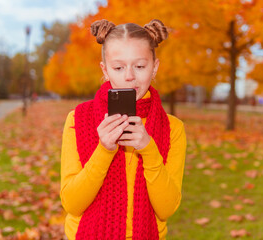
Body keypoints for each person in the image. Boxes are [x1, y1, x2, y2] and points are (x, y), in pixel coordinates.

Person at [60, 19, 186, 240]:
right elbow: (72, 203)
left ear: (154, 67)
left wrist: (148, 149)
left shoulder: (173, 128)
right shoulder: (77, 120)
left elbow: (167, 209)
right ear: (105, 70)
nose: (129, 76)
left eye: (139, 66)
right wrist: (104, 150)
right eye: (118, 67)